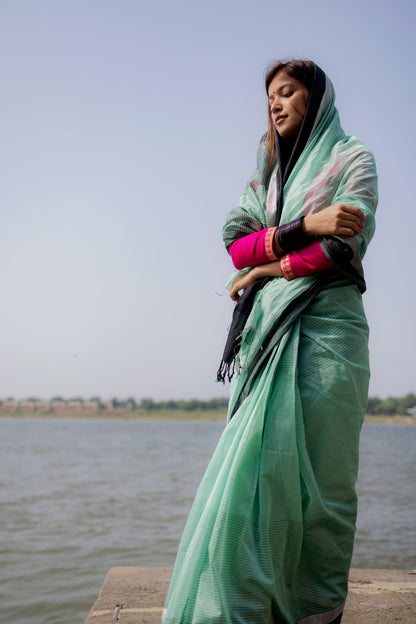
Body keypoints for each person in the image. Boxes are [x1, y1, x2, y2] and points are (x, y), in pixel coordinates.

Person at [162, 60, 377, 624]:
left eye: (288, 93)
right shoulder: (269, 173)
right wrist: (307, 226)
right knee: (252, 477)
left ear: (317, 99)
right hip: (269, 336)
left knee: (325, 486)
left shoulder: (353, 160)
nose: (276, 104)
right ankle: (240, 604)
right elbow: (236, 243)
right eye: (270, 97)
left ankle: (315, 608)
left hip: (330, 331)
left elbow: (342, 251)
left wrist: (266, 269)